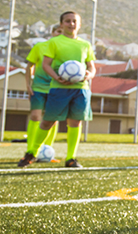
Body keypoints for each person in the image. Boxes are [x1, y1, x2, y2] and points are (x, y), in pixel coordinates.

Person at [39, 11, 96, 168]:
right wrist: (57, 78)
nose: (71, 24)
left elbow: (92, 68)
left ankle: (71, 158)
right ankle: (32, 152)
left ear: (79, 24)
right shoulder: (55, 42)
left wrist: (88, 75)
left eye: (74, 21)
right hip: (59, 88)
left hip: (80, 88)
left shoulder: (85, 44)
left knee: (75, 123)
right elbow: (46, 65)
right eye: (68, 21)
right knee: (48, 121)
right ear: (61, 24)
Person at [18, 25, 62, 167]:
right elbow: (29, 66)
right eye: (58, 31)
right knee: (36, 117)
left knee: (53, 120)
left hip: (56, 89)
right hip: (38, 88)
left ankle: (47, 152)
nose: (60, 34)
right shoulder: (40, 47)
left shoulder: (65, 50)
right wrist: (28, 84)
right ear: (52, 32)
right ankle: (31, 150)